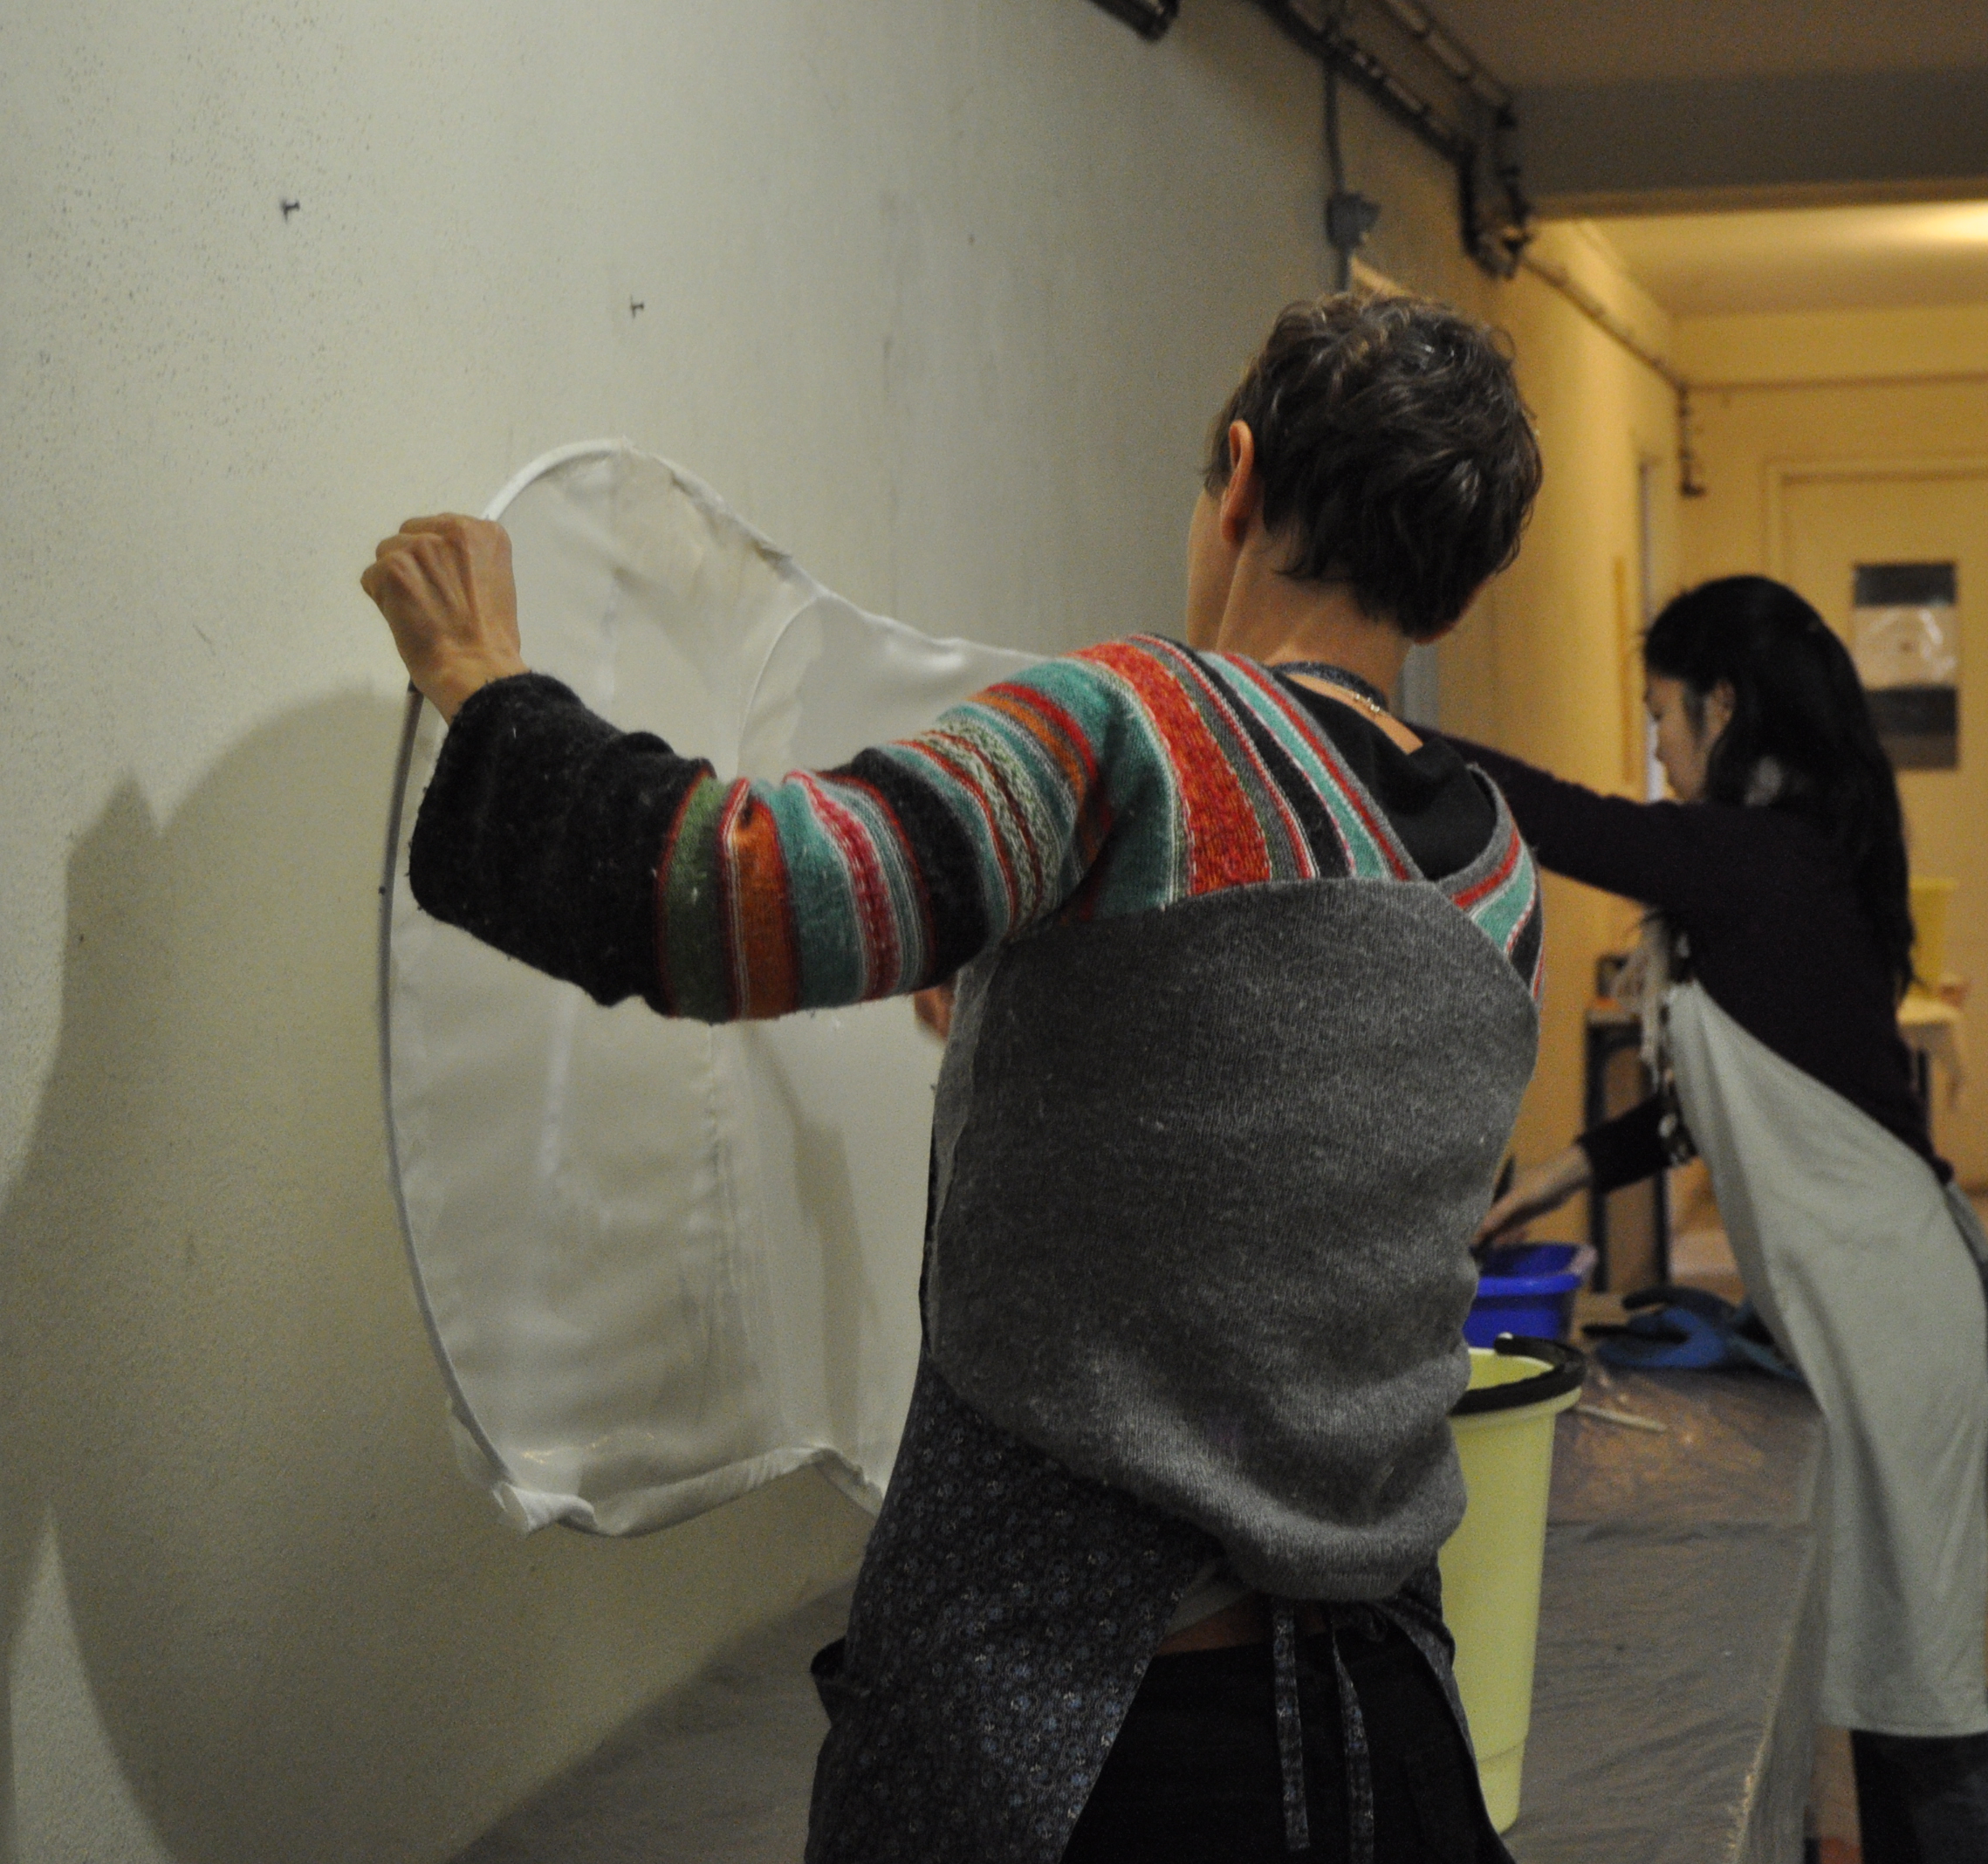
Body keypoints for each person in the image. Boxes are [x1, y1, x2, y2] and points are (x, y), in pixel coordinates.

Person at [361, 292, 1548, 1864]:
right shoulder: (1495, 871)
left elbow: (731, 893)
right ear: (1457, 577)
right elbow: (1275, 1167)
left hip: (1078, 1737)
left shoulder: (1138, 729)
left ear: (1241, 480)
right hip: (1380, 1744)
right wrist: (1026, 1008)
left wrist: (487, 686)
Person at [1468, 576, 1988, 1864]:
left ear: (1724, 706)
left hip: (1896, 1317)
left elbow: (1563, 820)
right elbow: (1718, 1103)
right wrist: (1559, 1176)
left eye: (1662, 718)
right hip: (1880, 1302)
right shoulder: (1784, 862)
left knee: (1927, 1711)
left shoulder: (1759, 860)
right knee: (1898, 1697)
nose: (1659, 750)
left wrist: (1364, 729)